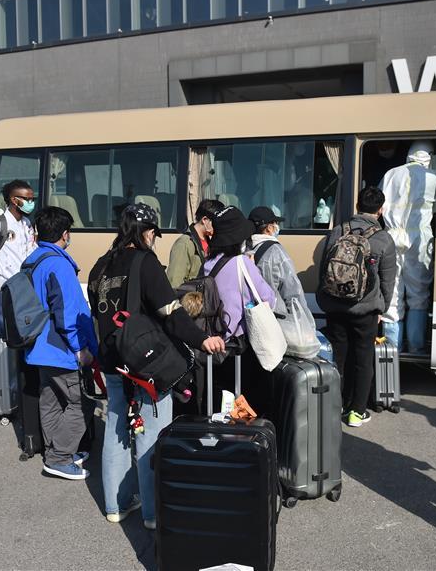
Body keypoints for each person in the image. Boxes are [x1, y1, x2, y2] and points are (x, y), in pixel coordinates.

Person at [88, 203, 225, 530]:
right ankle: (152, 513)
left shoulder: (100, 266)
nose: (154, 239)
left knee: (116, 426)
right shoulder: (145, 263)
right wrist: (201, 339)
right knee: (151, 433)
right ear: (144, 231)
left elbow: (97, 313)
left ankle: (115, 505)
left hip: (112, 359)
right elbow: (172, 313)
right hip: (145, 364)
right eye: (153, 232)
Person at [23, 206, 98, 481]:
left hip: (39, 347)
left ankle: (58, 452)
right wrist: (80, 349)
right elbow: (67, 312)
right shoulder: (58, 263)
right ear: (65, 234)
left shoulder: (33, 260)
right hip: (61, 348)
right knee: (83, 403)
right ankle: (59, 458)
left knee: (51, 401)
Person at [317, 186, 396, 427]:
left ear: (357, 206)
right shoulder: (384, 239)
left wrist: (327, 300)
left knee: (338, 358)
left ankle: (335, 405)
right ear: (380, 210)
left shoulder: (338, 230)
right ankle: (356, 412)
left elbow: (324, 268)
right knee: (363, 360)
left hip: (335, 307)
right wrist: (381, 308)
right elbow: (388, 281)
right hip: (366, 310)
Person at [202, 205, 277, 413]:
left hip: (215, 344)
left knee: (221, 401)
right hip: (240, 346)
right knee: (249, 400)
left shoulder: (208, 263)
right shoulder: (242, 262)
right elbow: (268, 299)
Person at [379, 140, 436, 353]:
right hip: (418, 239)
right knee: (418, 294)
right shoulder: (433, 177)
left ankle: (392, 348)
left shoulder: (390, 174)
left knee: (392, 293)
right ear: (429, 157)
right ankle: (415, 346)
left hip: (392, 236)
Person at [247, 206, 318, 357]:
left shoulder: (245, 248)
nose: (277, 227)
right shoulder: (276, 251)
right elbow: (293, 292)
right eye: (274, 223)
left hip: (251, 321)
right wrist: (308, 326)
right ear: (268, 228)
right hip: (275, 322)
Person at [166, 198, 224, 287]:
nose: (219, 226)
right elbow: (174, 282)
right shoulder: (184, 244)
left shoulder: (211, 242)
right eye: (217, 222)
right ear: (205, 220)